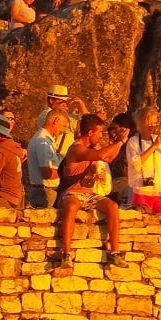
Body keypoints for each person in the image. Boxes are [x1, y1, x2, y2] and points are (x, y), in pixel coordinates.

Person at [55, 114, 129, 271]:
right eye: (99, 133)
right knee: (72, 204)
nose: (101, 136)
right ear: (90, 133)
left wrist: (118, 143)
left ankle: (114, 251)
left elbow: (108, 158)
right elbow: (101, 155)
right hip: (72, 192)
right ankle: (66, 252)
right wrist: (121, 141)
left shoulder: (92, 148)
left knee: (112, 206)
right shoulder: (76, 149)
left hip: (89, 194)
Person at [125, 106, 161, 214]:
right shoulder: (133, 141)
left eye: (155, 122)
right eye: (150, 122)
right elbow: (136, 164)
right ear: (141, 123)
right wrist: (154, 145)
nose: (153, 126)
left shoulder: (159, 140)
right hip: (142, 191)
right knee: (140, 225)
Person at [27, 109, 69, 208]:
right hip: (45, 192)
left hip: (44, 190)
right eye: (63, 126)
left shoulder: (43, 139)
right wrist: (66, 173)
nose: (62, 131)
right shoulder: (43, 142)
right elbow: (47, 173)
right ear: (56, 121)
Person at [35, 85, 89, 156]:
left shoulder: (63, 116)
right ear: (51, 100)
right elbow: (86, 123)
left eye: (65, 101)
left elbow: (87, 122)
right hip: (55, 156)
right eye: (62, 101)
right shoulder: (46, 115)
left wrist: (82, 106)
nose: (65, 104)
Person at [107, 113, 134, 204]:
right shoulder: (115, 143)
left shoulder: (132, 145)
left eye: (114, 129)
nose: (112, 133)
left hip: (123, 183)